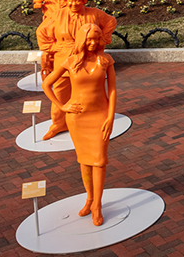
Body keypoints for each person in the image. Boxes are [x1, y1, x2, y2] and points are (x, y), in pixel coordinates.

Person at [42, 22, 117, 227]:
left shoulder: (106, 60)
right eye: (89, 39)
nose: (93, 43)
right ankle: (89, 199)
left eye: (96, 39)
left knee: (100, 160)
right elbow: (47, 84)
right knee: (84, 160)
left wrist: (110, 117)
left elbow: (112, 91)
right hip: (77, 118)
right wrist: (63, 106)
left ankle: (97, 205)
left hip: (100, 115)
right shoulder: (70, 61)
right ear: (82, 39)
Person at [37, 0, 116, 141]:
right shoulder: (58, 15)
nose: (74, 4)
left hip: (89, 58)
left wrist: (103, 40)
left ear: (84, 1)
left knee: (91, 89)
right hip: (64, 59)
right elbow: (41, 31)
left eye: (78, 1)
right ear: (66, 1)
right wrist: (54, 48)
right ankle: (58, 124)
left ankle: (92, 117)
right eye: (70, 1)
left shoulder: (94, 13)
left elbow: (111, 22)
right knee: (60, 91)